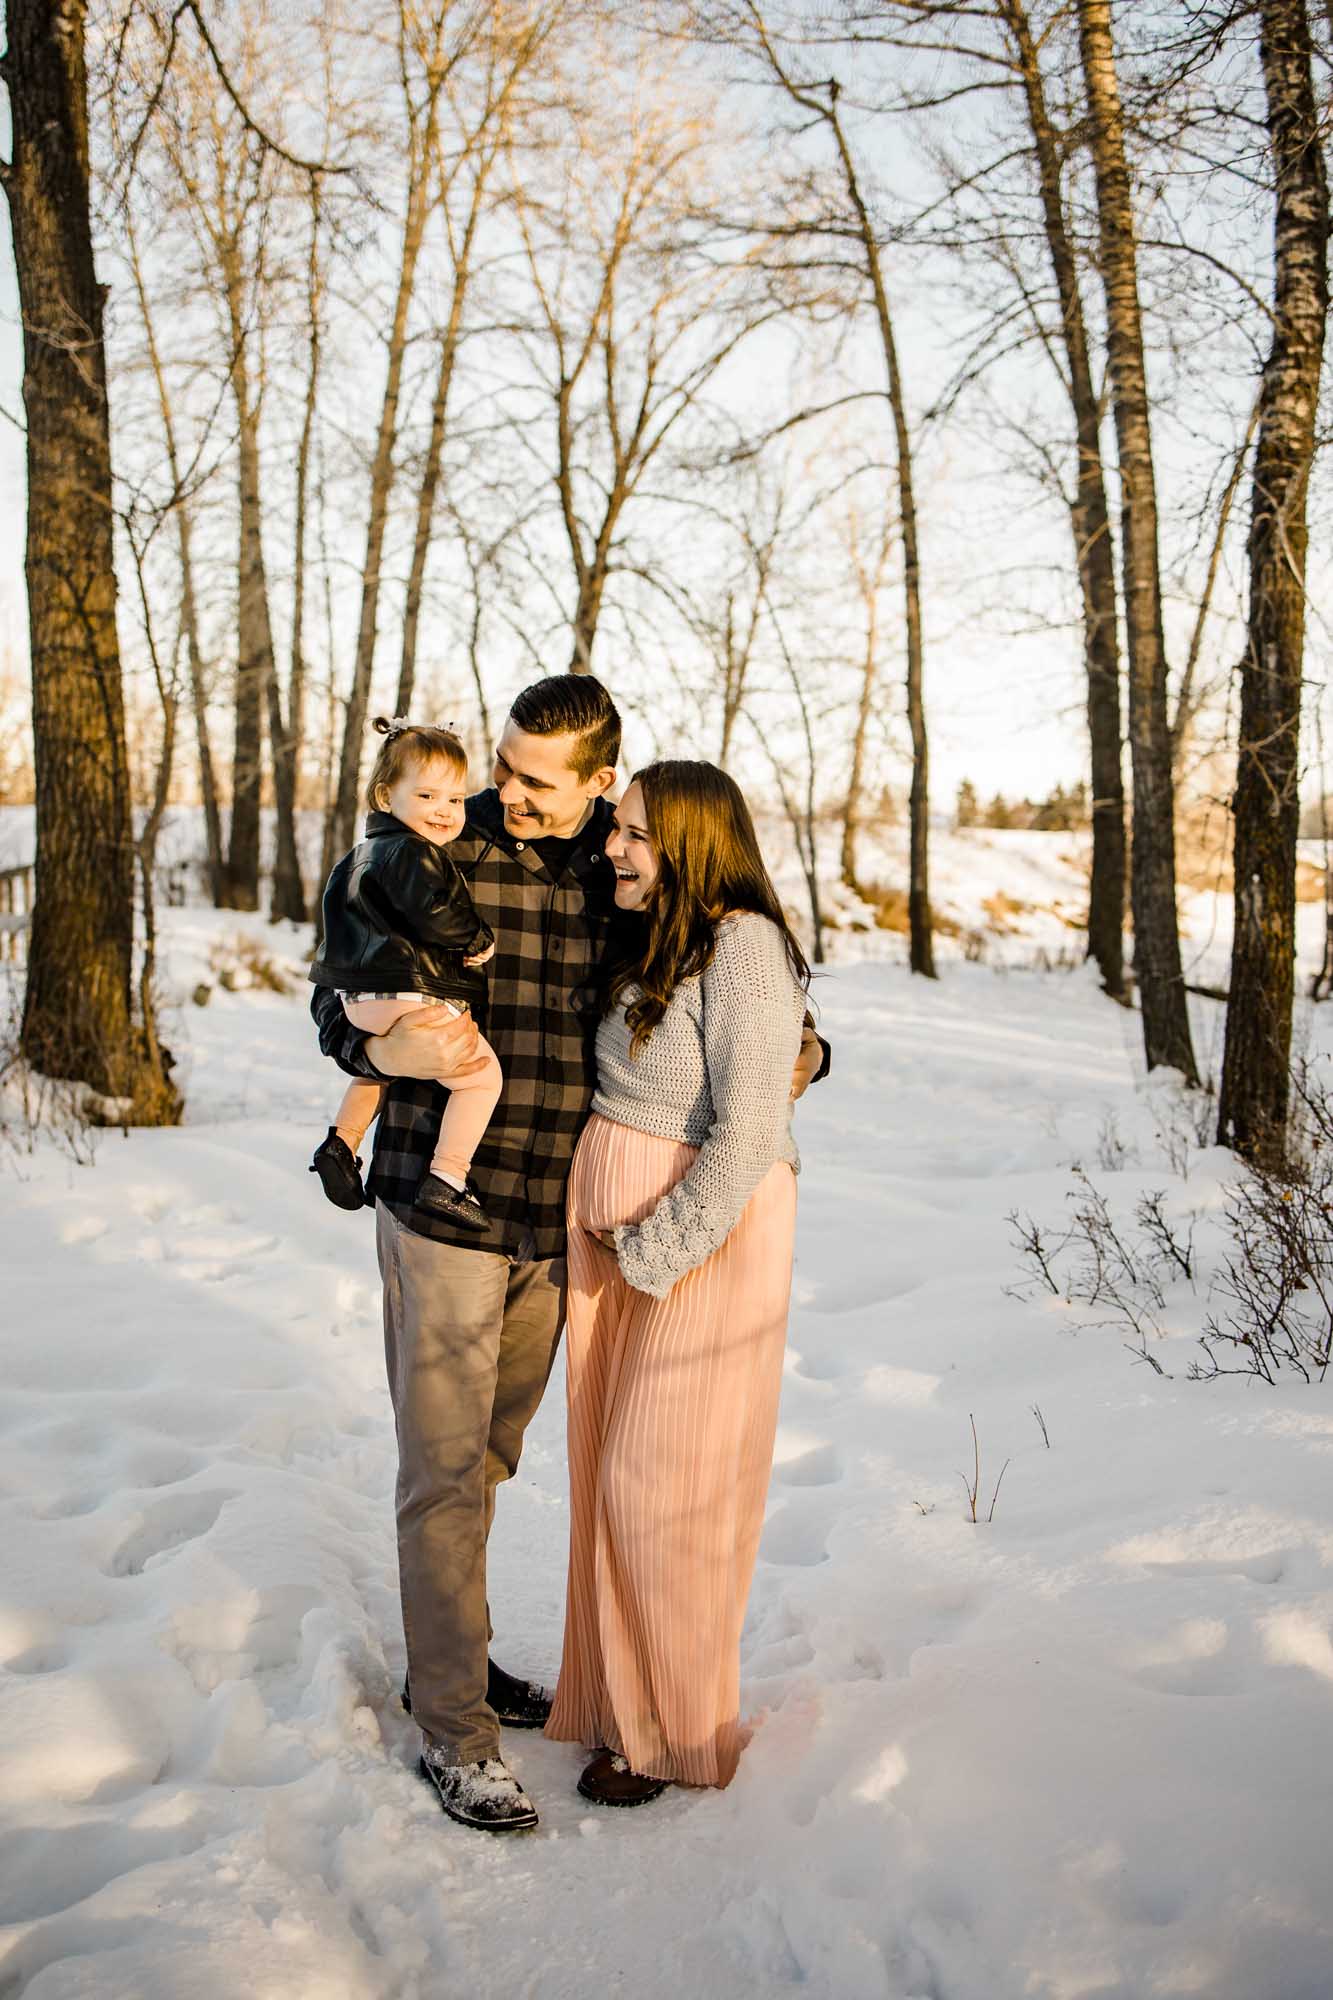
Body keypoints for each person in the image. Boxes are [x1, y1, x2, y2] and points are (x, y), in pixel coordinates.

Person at [311, 677, 828, 1836]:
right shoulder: (439, 840)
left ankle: (457, 1659)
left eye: (534, 779)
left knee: (490, 1456)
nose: (504, 790)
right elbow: (340, 986)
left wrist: (802, 1052)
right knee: (442, 1468)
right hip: (443, 1200)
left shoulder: (628, 865)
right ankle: (454, 1727)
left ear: (600, 782)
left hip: (559, 1227)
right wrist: (369, 1031)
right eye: (500, 763)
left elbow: (724, 987)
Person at [545, 761, 810, 1806]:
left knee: (658, 1487)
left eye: (637, 834)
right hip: (615, 1232)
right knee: (605, 1471)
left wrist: (655, 1246)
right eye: (615, 826)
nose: (615, 846)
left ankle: (672, 1730)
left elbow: (750, 1129)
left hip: (695, 1239)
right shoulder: (656, 924)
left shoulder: (743, 944)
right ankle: (621, 1702)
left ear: (696, 840)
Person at [308, 716, 501, 1234]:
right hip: (408, 989)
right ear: (385, 795)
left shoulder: (356, 857)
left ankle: (342, 1142)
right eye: (428, 796)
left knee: (383, 1065)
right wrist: (475, 936)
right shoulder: (416, 854)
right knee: (483, 1078)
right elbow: (433, 909)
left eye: (455, 799)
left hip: (359, 997)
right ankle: (447, 1176)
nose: (444, 810)